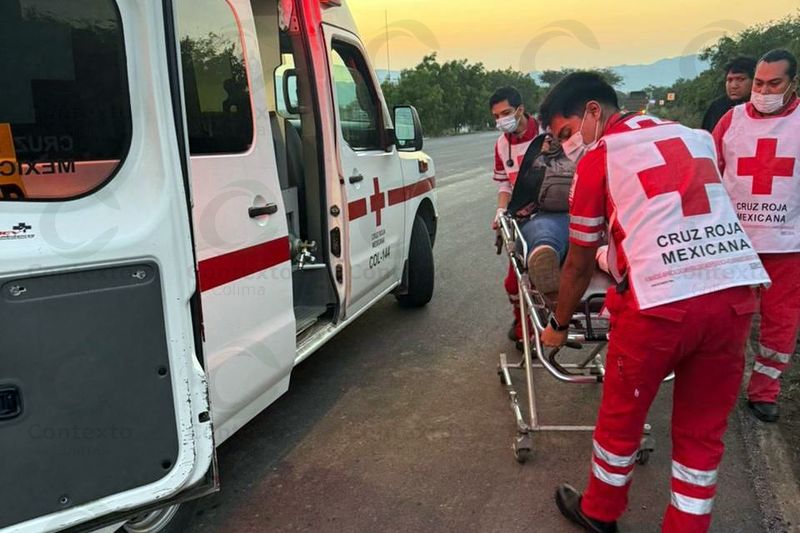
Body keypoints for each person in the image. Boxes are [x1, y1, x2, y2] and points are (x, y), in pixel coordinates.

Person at [539, 72, 769, 532]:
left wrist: (559, 324)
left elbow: (578, 266)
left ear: (592, 112)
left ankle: (600, 512)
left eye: (566, 133)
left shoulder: (599, 157)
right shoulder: (695, 137)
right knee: (702, 434)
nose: (568, 145)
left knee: (622, 418)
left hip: (660, 306)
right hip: (733, 295)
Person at [713, 49, 800, 423]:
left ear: (792, 83)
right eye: (759, 83)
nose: (763, 91)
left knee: (780, 322)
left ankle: (765, 390)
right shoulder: (731, 121)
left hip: (788, 244)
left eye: (773, 84)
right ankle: (717, 388)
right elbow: (709, 171)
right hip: (736, 243)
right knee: (726, 320)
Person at [489, 87, 568, 343]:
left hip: (554, 211)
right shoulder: (502, 145)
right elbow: (504, 184)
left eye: (506, 113)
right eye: (497, 116)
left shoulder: (550, 134)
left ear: (520, 109)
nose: (502, 120)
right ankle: (524, 320)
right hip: (520, 217)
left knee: (534, 274)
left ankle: (532, 330)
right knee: (514, 285)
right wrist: (501, 211)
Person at [701, 56, 756, 132]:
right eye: (729, 80)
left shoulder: (763, 106)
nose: (734, 86)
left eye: (740, 79)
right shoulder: (717, 107)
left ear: (755, 81)